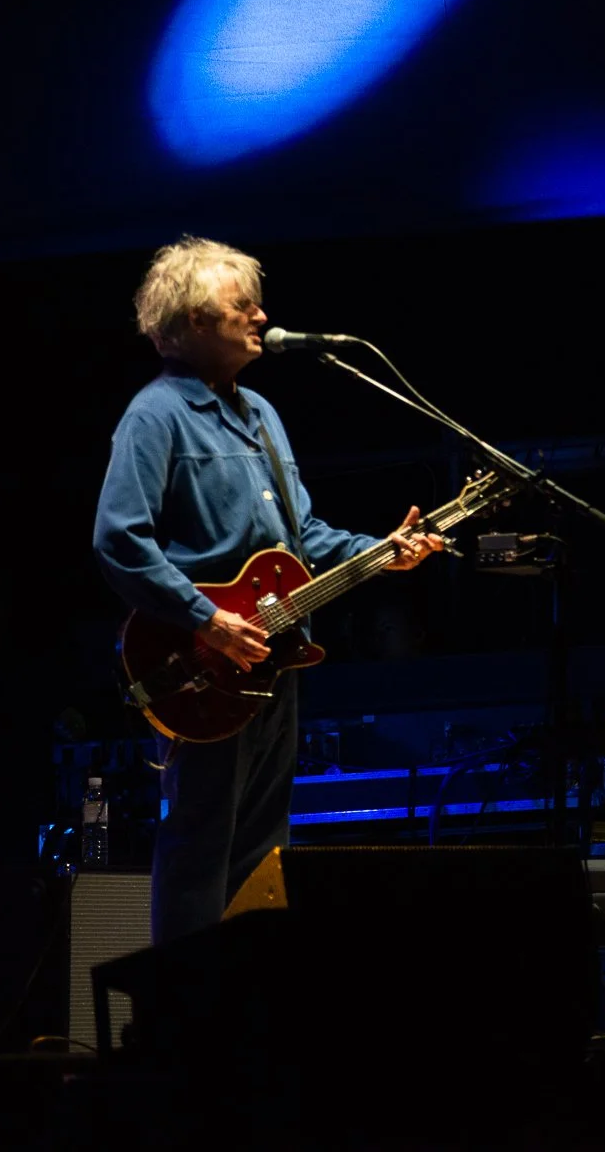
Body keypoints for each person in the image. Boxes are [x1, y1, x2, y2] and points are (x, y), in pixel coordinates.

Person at [92, 236, 445, 942]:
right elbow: (118, 538)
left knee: (262, 849)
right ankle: (182, 1023)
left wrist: (381, 554)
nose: (260, 315)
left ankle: (245, 1007)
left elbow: (301, 536)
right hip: (201, 665)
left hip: (271, 660)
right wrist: (207, 619)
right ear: (193, 321)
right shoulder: (154, 414)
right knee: (200, 844)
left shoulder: (261, 413)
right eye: (241, 304)